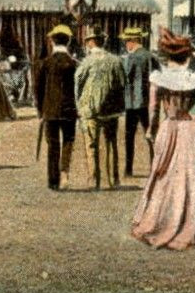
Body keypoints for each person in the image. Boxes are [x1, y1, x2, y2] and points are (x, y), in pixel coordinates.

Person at [131, 29, 195, 250]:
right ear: (187, 57)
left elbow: (153, 109)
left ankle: (161, 220)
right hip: (189, 129)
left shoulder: (160, 78)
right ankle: (193, 222)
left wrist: (150, 130)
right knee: (192, 176)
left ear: (167, 57)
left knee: (164, 173)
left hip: (169, 126)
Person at [74, 28, 125, 190]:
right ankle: (113, 179)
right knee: (111, 143)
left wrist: (79, 103)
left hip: (90, 109)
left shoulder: (87, 61)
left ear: (90, 42)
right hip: (111, 109)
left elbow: (78, 82)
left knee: (91, 144)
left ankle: (93, 180)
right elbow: (123, 83)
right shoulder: (116, 60)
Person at [33, 25, 80, 190]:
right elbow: (78, 90)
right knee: (68, 141)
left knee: (53, 145)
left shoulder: (45, 63)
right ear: (68, 42)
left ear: (52, 41)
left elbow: (38, 90)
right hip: (69, 109)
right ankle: (65, 172)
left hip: (50, 110)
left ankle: (53, 181)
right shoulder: (74, 64)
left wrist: (40, 111)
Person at [119, 27, 156, 178]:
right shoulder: (150, 56)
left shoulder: (131, 58)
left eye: (127, 41)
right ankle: (155, 166)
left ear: (132, 41)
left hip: (132, 103)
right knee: (151, 135)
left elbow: (125, 77)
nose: (126, 45)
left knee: (129, 137)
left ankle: (128, 169)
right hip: (148, 102)